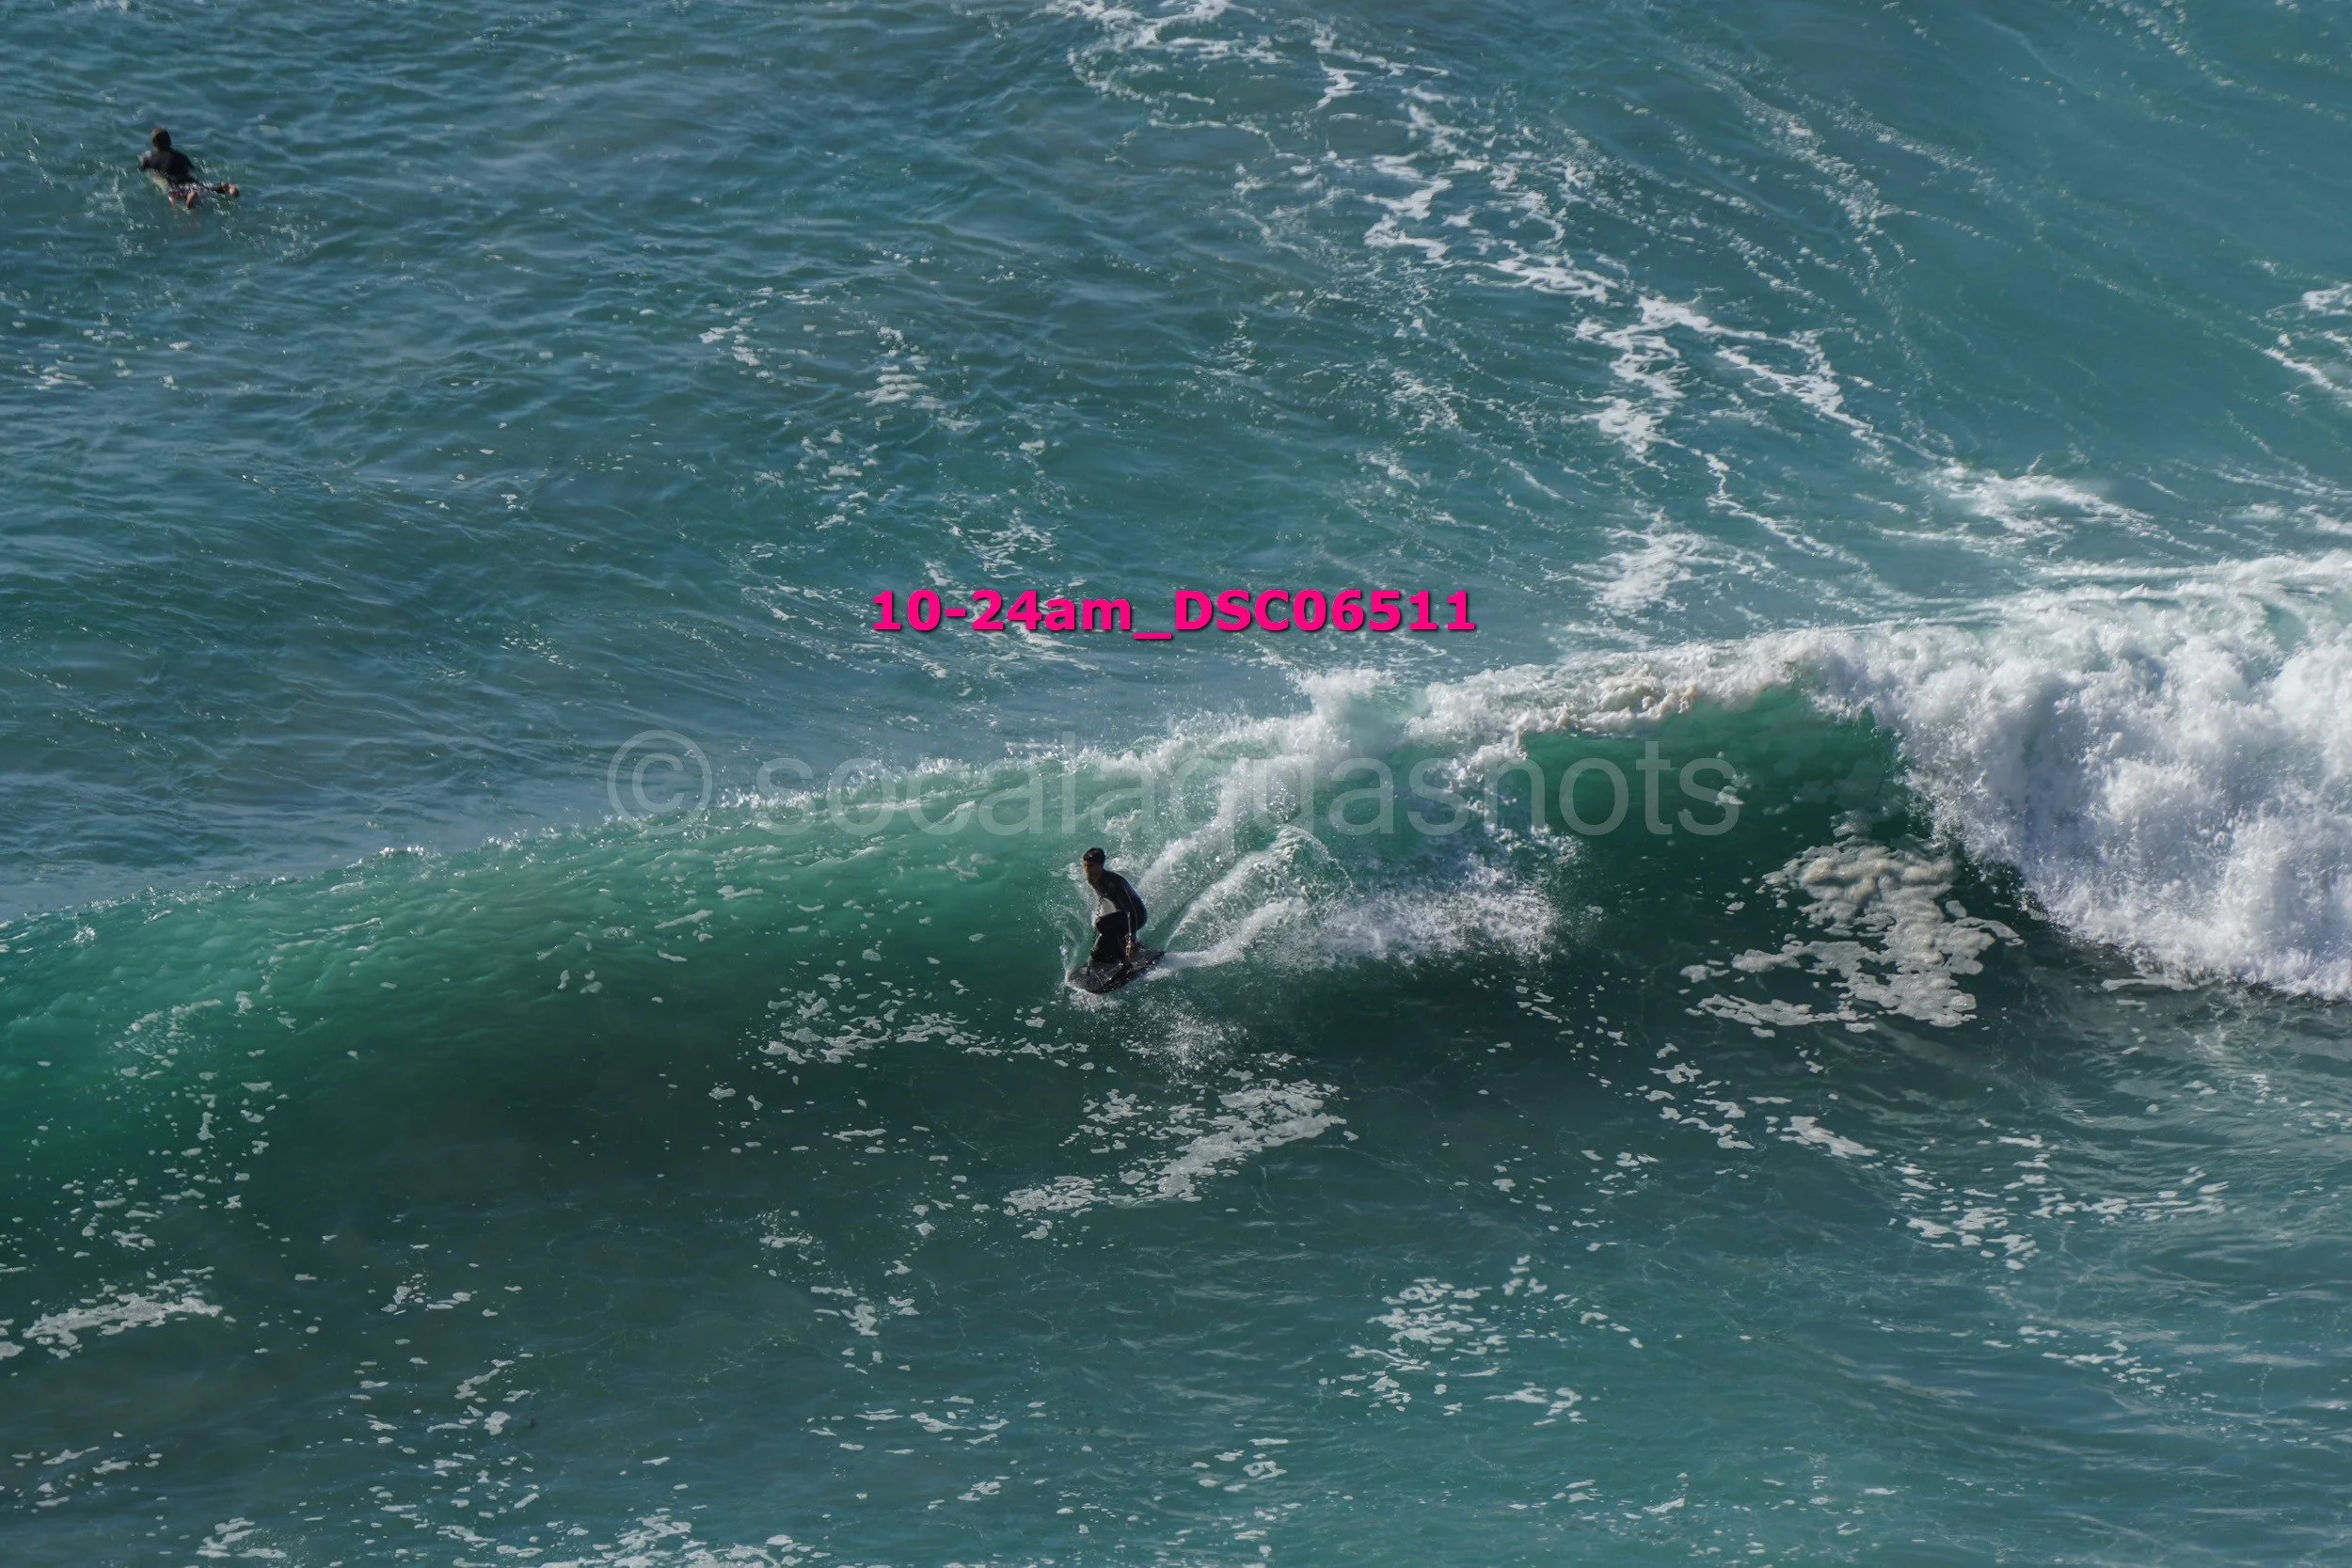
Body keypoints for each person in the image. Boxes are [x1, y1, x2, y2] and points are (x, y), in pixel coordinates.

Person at [1081, 847, 1147, 969]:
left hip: (1137, 916)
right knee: (1097, 955)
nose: (1086, 870)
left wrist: (1131, 939)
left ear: (1100, 866)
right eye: (1085, 866)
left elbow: (1130, 912)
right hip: (1122, 916)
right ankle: (1136, 947)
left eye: (1090, 866)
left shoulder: (1114, 883)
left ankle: (1126, 962)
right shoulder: (1092, 878)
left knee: (1101, 923)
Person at [140, 129, 238, 208]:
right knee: (204, 187)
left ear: (154, 144)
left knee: (175, 194)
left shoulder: (148, 159)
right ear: (170, 141)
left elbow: (142, 169)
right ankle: (225, 187)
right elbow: (192, 169)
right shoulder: (181, 156)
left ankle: (189, 200)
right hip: (189, 179)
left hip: (174, 183)